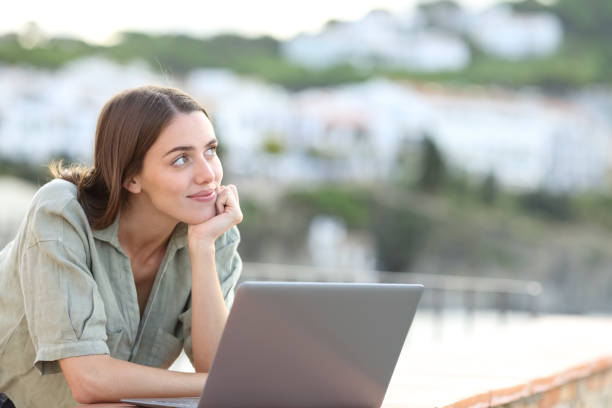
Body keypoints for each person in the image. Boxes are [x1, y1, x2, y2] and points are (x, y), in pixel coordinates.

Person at [0, 85, 243, 407]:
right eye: (181, 159)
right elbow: (89, 380)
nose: (208, 175)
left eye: (210, 150)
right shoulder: (61, 211)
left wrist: (203, 248)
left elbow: (215, 367)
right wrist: (220, 383)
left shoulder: (210, 229)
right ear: (131, 178)